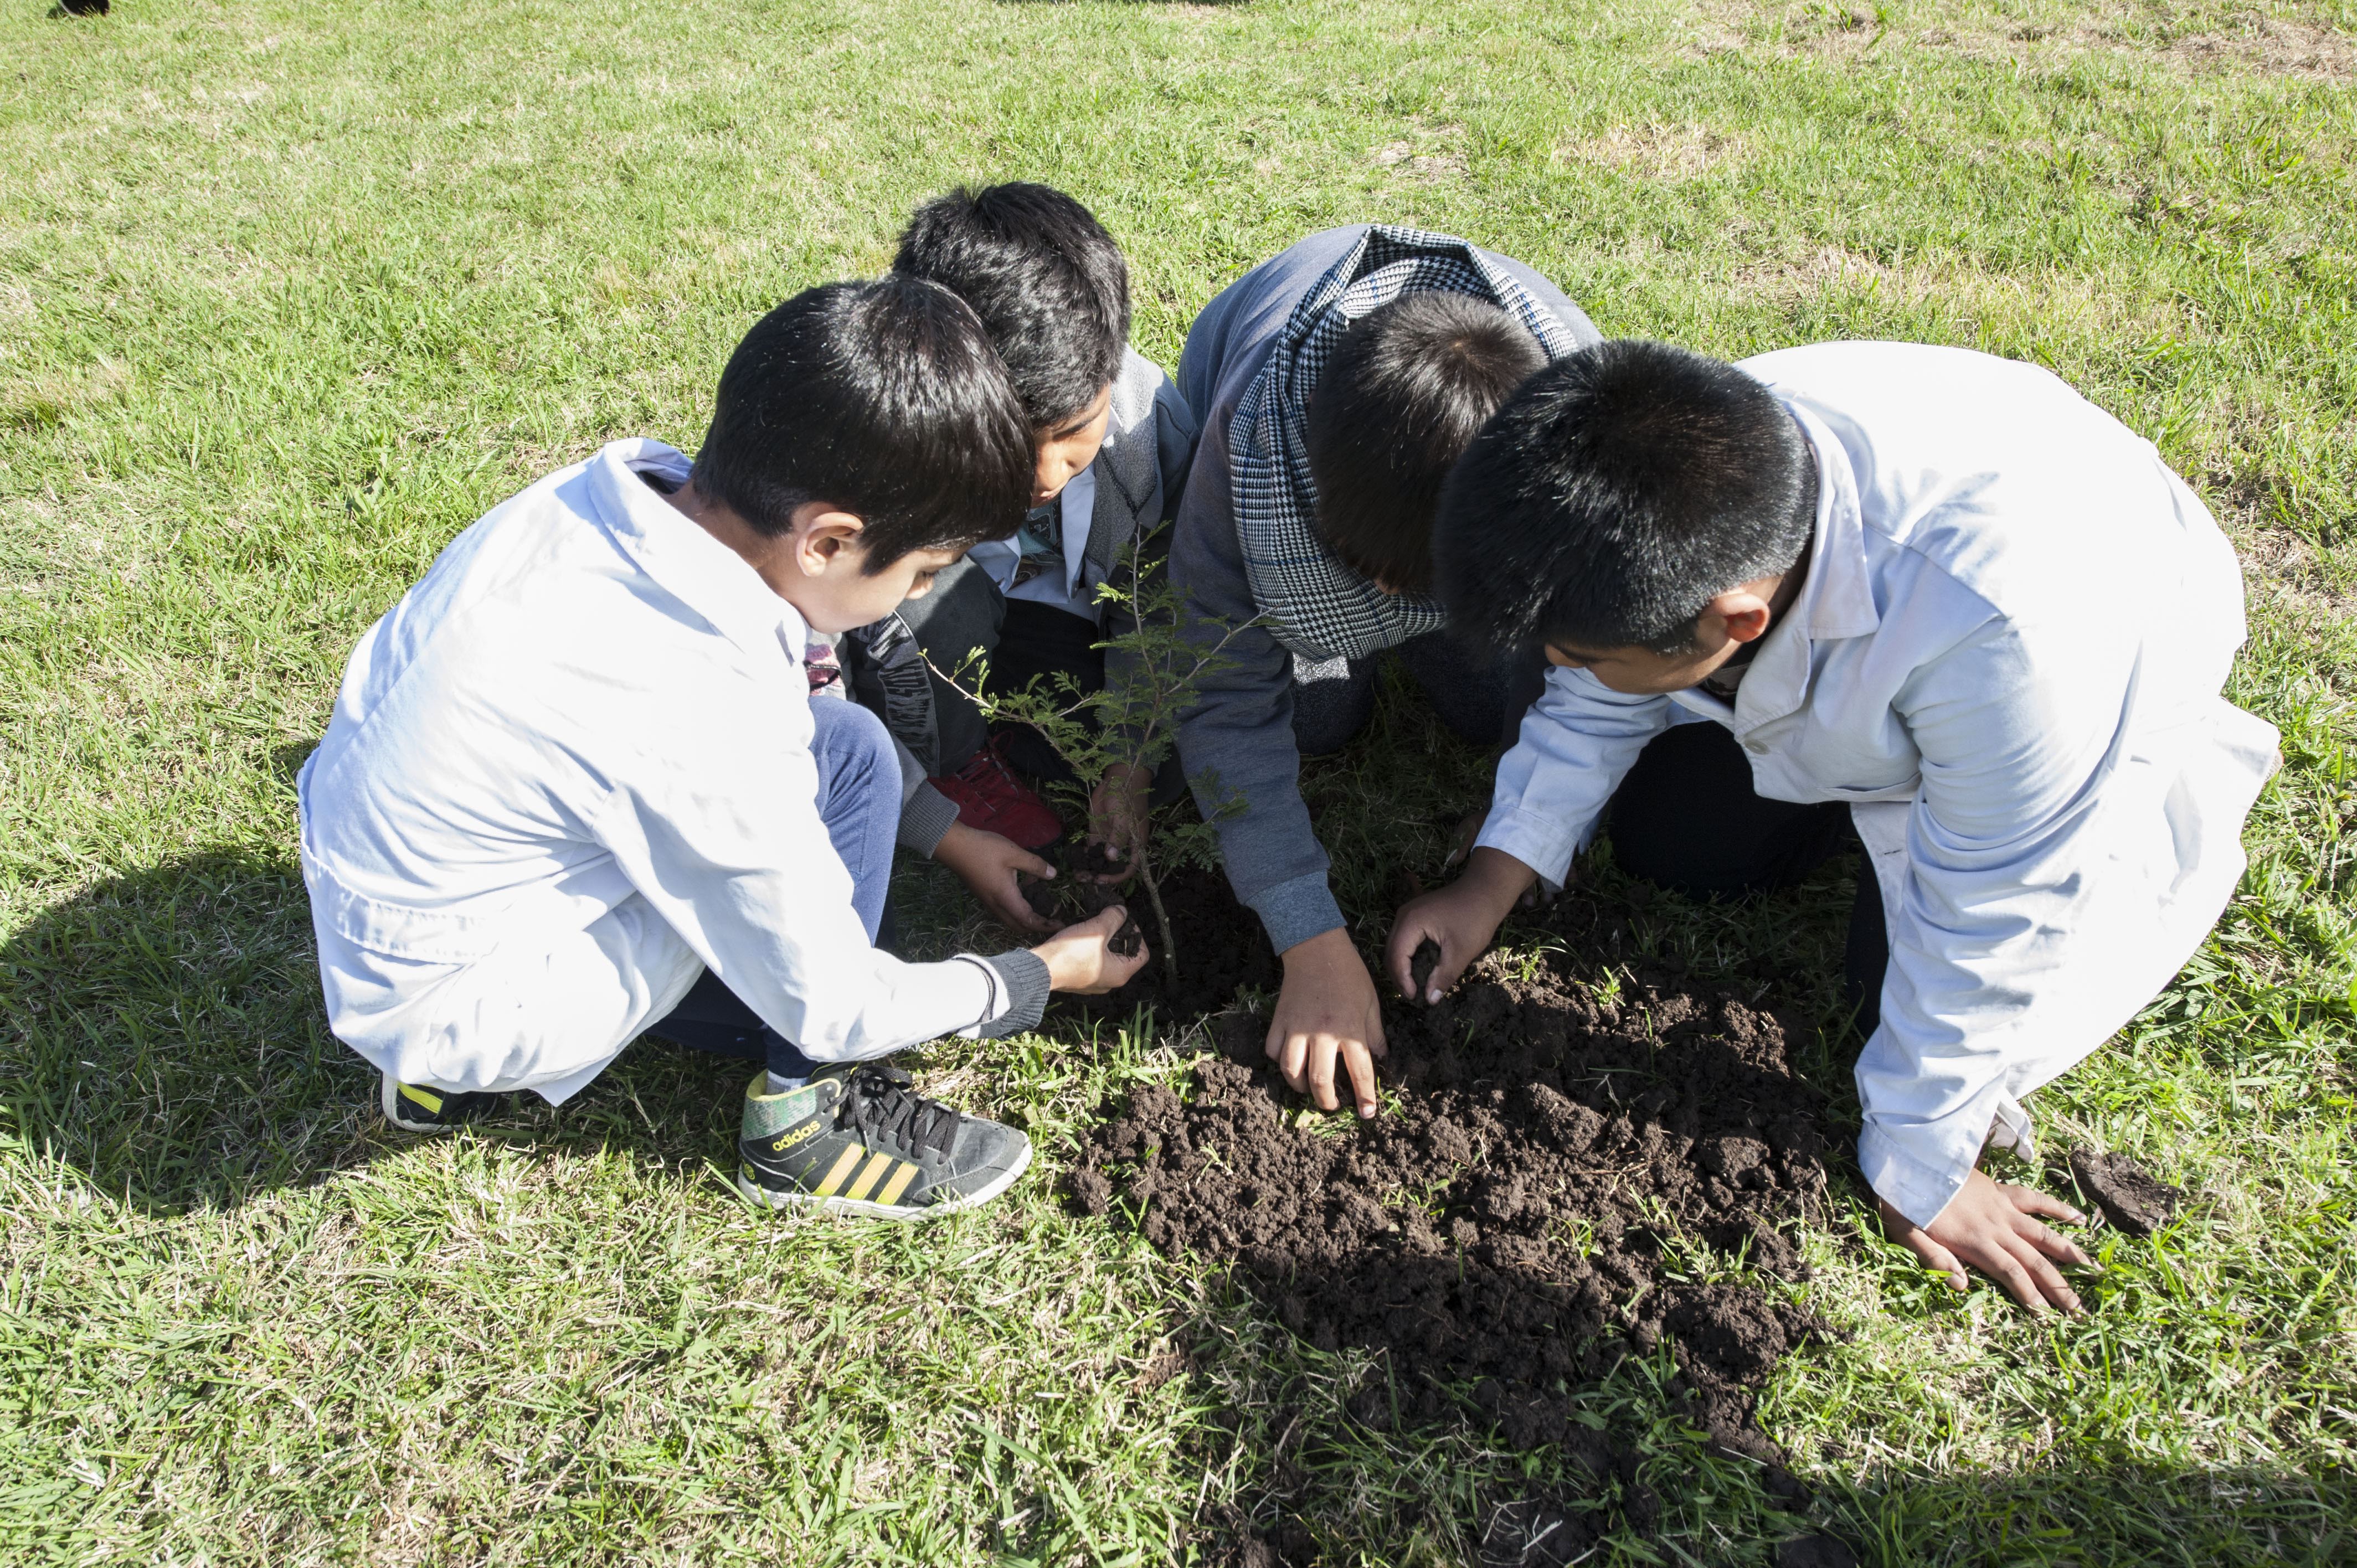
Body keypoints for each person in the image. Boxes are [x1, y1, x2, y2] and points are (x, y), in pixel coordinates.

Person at [1391, 338, 2278, 1310]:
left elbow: (2001, 904)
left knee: (1891, 995)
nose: (1564, 673)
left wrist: (1921, 1162)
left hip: (2082, 654)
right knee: (1675, 847)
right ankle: (1853, 776)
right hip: (1879, 647)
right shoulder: (1678, 477)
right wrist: (1493, 877)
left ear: (1736, 623)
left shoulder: (2013, 638)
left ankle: (1890, 794)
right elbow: (1596, 686)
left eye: (1582, 655)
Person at [297, 276, 1146, 1220]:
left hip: (406, 931)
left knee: (842, 750)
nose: (914, 599)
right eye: (922, 572)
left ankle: (440, 1071)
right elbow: (838, 1004)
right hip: (467, 999)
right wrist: (1037, 976)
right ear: (826, 542)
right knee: (851, 771)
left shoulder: (616, 495)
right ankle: (798, 1127)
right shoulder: (690, 702)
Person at [1167, 224, 1602, 1120]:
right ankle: (1343, 632)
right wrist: (1311, 939)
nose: (1384, 592)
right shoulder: (1247, 443)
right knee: (1316, 719)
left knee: (1491, 708)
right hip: (1266, 444)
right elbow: (1220, 693)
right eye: (1364, 573)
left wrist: (1510, 845)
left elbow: (1590, 667)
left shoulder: (1578, 429)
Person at [840, 183, 1198, 933]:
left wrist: (1129, 756)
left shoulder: (1151, 431)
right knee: (936, 621)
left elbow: (1154, 600)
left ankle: (1017, 738)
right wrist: (938, 828)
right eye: (1007, 445)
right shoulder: (884, 452)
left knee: (1176, 752)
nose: (1041, 477)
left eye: (1073, 432)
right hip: (950, 623)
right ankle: (956, 757)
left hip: (1075, 620)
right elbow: (811, 686)